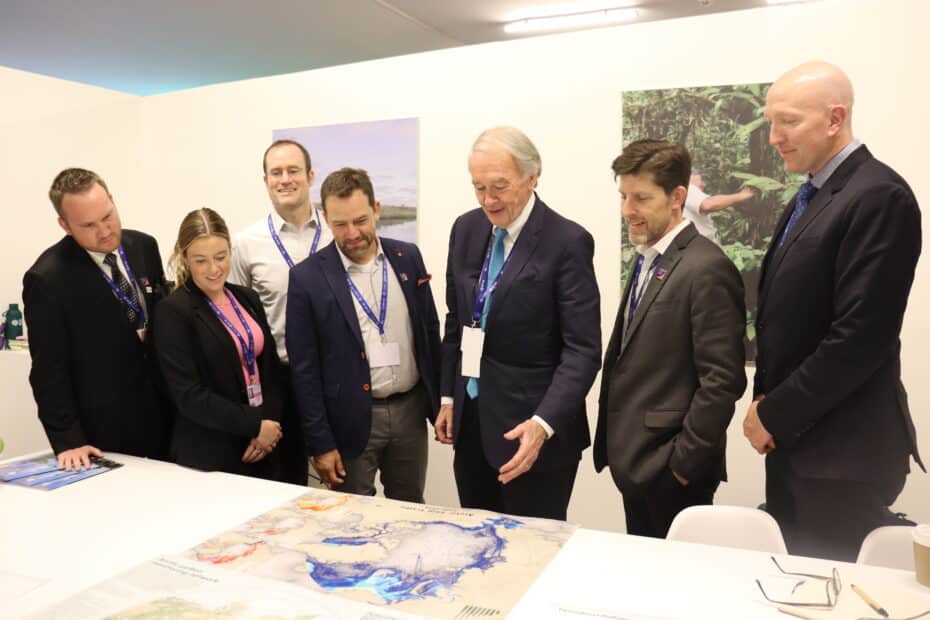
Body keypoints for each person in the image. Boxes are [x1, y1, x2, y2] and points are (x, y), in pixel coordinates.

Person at [743, 61, 923, 561]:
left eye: (788, 122)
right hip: (799, 446)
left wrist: (773, 413)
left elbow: (859, 338)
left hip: (842, 457)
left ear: (834, 118)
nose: (774, 137)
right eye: (770, 122)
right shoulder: (810, 196)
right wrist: (766, 409)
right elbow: (787, 319)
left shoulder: (878, 195)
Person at [435, 126, 601, 520]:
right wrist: (447, 396)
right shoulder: (466, 228)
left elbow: (583, 350)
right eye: (478, 187)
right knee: (475, 543)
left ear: (532, 177)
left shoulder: (567, 241)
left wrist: (543, 424)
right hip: (472, 421)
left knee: (531, 555)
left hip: (532, 433)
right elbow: (457, 319)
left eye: (499, 187)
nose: (488, 200)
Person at [593, 140, 746, 538]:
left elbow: (723, 380)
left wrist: (682, 465)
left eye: (641, 198)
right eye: (624, 196)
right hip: (636, 462)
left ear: (678, 197)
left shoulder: (707, 268)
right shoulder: (649, 259)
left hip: (671, 471)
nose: (628, 210)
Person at [286, 168, 440, 502]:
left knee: (411, 510)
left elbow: (429, 331)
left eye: (360, 220)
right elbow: (304, 370)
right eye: (340, 224)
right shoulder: (307, 278)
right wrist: (321, 443)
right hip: (350, 418)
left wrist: (442, 401)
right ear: (326, 219)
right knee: (353, 519)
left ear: (377, 209)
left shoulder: (408, 257)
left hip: (409, 411)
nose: (353, 233)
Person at [23, 168, 173, 471]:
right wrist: (68, 439)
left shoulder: (144, 246)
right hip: (104, 429)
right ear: (64, 225)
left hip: (163, 415)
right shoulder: (48, 279)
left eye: (108, 216)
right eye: (89, 225)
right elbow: (48, 370)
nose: (104, 231)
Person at [229, 139, 333, 485]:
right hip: (279, 380)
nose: (284, 179)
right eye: (276, 172)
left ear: (310, 176)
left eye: (293, 171)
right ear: (265, 180)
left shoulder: (337, 234)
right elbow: (235, 319)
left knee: (343, 480)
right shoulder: (246, 244)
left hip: (336, 377)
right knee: (286, 484)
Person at [155, 208, 284, 479]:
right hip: (212, 452)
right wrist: (255, 425)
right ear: (184, 258)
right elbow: (190, 396)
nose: (214, 269)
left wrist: (269, 425)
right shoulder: (173, 311)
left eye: (221, 257)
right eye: (201, 260)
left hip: (263, 445)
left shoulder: (247, 298)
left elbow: (271, 369)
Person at [683, 171, 756, 244]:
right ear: (690, 177)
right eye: (701, 180)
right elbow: (708, 204)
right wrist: (742, 195)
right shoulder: (689, 188)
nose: (703, 185)